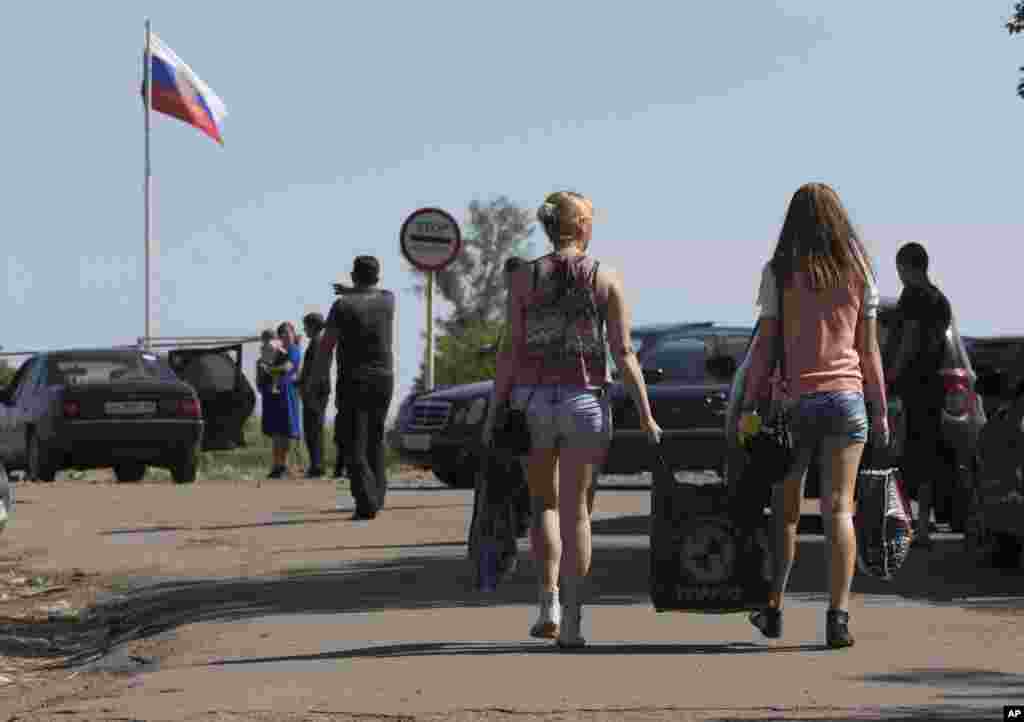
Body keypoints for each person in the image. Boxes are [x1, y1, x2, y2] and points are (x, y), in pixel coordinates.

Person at [482, 191, 661, 649]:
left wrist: (495, 409)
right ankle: (576, 622)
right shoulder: (605, 277)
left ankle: (549, 607)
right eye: (590, 219)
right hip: (585, 401)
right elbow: (623, 353)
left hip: (533, 402)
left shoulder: (524, 278)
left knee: (543, 504)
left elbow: (510, 351)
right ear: (580, 224)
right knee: (577, 510)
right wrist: (645, 413)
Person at [738, 182, 888, 649]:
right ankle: (837, 618)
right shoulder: (859, 269)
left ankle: (774, 608)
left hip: (795, 403)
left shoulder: (780, 271)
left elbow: (764, 345)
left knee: (784, 514)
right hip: (847, 399)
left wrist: (750, 402)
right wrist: (879, 409)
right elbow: (869, 351)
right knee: (840, 508)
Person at [314, 256, 395, 520]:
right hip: (384, 378)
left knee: (353, 441)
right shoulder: (388, 300)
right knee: (375, 437)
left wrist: (318, 377)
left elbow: (327, 346)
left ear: (353, 275)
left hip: (354, 379)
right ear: (378, 276)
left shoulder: (342, 306)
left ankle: (366, 500)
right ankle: (378, 495)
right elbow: (372, 292)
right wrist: (352, 290)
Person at [885, 241, 953, 548]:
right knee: (927, 459)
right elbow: (939, 344)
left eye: (900, 270)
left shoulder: (913, 297)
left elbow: (909, 341)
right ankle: (922, 526)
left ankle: (905, 524)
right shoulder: (942, 301)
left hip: (910, 389)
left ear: (908, 267)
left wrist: (890, 377)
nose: (899, 276)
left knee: (900, 456)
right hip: (934, 389)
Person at [260, 321, 303, 479]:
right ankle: (276, 465)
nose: (284, 335)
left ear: (292, 333)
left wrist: (269, 369)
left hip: (287, 393)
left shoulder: (293, 350)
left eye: (287, 332)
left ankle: (283, 466)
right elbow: (264, 362)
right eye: (282, 333)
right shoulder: (279, 350)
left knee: (285, 431)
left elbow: (287, 368)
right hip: (276, 394)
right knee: (277, 432)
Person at [298, 312, 331, 479]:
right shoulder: (319, 341)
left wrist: (308, 388)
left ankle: (317, 466)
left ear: (313, 326)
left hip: (315, 391)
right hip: (315, 390)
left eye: (306, 326)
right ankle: (316, 464)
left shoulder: (318, 342)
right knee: (313, 427)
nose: (304, 330)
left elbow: (317, 370)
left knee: (313, 428)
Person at [258, 329, 288, 394]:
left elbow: (284, 370)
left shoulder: (282, 354)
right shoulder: (261, 359)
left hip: (277, 390)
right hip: (267, 388)